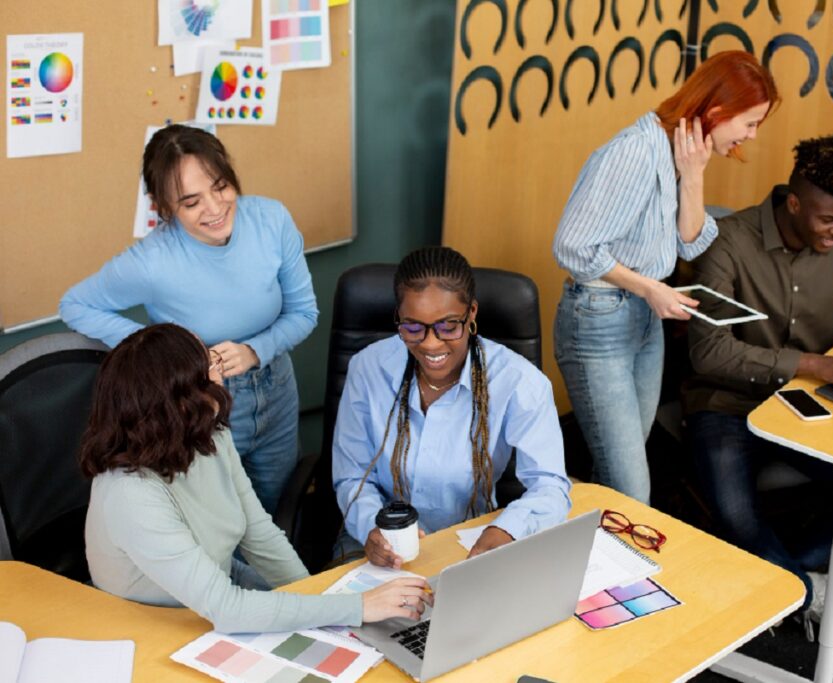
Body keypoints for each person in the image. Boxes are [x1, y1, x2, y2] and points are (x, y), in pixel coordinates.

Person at [685, 135, 833, 653]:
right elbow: (708, 353)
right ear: (792, 203)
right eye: (827, 220)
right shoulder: (728, 243)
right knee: (738, 516)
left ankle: (779, 576)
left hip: (805, 405)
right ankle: (810, 595)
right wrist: (814, 363)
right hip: (725, 406)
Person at [81, 323, 431, 634]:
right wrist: (359, 607)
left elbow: (258, 533)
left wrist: (323, 605)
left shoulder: (208, 433)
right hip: (152, 625)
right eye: (209, 373)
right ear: (177, 405)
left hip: (214, 592)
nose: (221, 378)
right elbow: (227, 608)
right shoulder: (130, 493)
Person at [552, 50, 780, 504]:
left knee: (619, 470)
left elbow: (691, 242)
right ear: (717, 112)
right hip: (599, 322)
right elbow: (571, 247)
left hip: (642, 319)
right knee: (632, 489)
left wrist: (694, 176)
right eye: (750, 123)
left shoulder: (684, 151)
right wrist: (647, 287)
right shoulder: (635, 153)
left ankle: (590, 562)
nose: (751, 136)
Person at [60, 124, 316, 515]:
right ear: (162, 207)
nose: (214, 209)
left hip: (277, 388)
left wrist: (254, 350)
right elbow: (75, 304)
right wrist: (167, 347)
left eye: (221, 187)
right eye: (191, 202)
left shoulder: (271, 220)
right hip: (203, 404)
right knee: (223, 523)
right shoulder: (151, 262)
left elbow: (304, 312)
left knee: (279, 514)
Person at [333, 246, 572, 568]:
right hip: (380, 541)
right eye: (412, 327)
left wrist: (508, 529)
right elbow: (351, 476)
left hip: (470, 541)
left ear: (471, 313)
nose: (431, 344)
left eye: (448, 326)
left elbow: (550, 484)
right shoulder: (368, 369)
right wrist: (371, 529)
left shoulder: (519, 382)